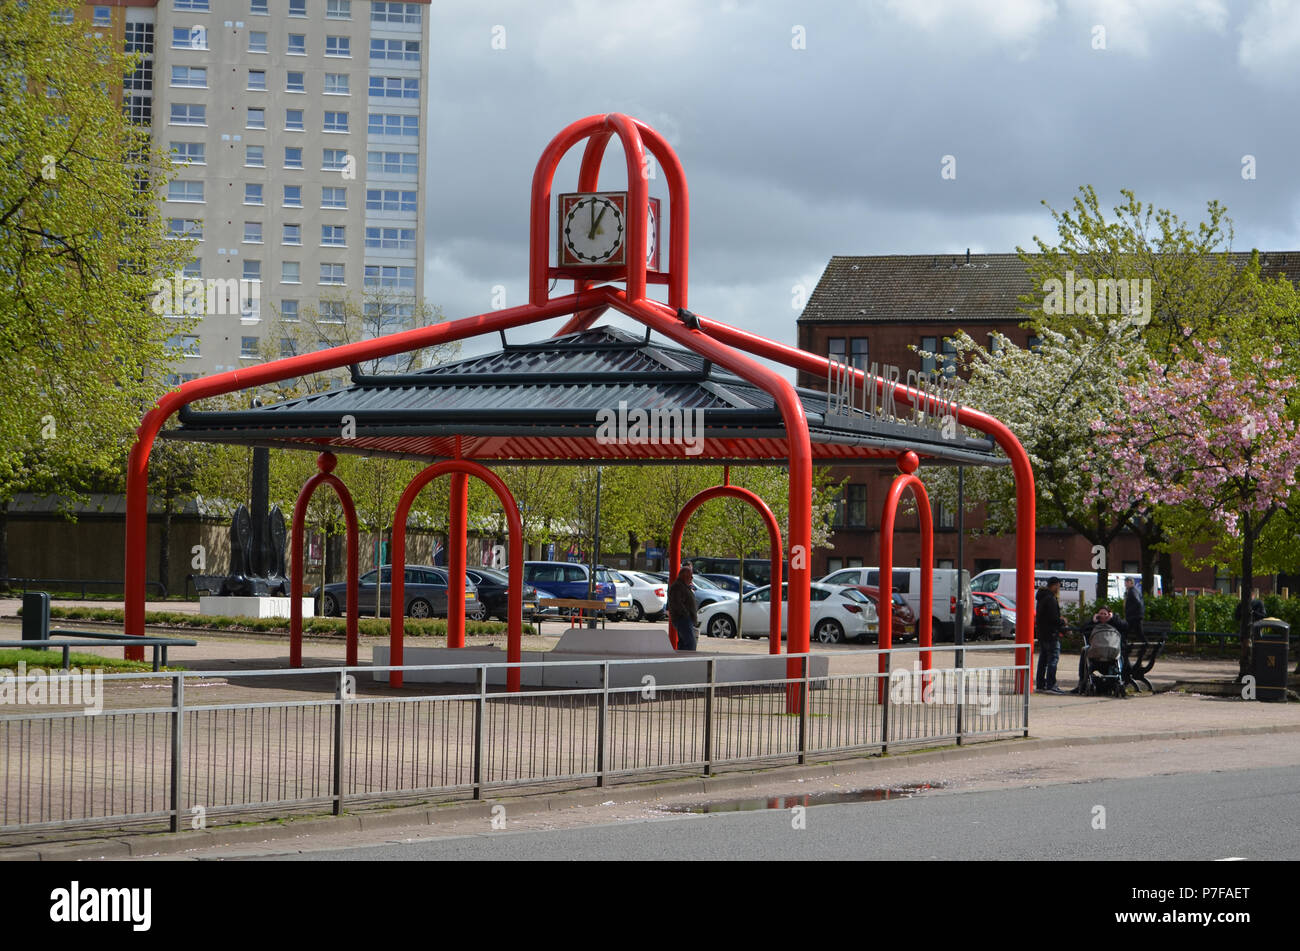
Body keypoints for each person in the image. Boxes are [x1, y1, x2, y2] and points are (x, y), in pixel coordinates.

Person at [1070, 605, 1128, 694]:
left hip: (1112, 653)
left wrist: (1113, 619)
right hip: (1096, 652)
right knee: (1084, 651)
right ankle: (1082, 683)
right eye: (1100, 614)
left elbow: (1125, 626)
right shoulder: (1094, 624)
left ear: (1109, 614)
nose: (1103, 616)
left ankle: (1120, 682)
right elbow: (1082, 630)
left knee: (1121, 655)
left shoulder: (1115, 622)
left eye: (1105, 614)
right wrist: (1092, 621)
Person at [1035, 577, 1068, 694]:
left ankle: (1040, 684)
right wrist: (1062, 621)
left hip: (1042, 633)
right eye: (1058, 586)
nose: (1059, 588)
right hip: (1051, 633)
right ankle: (1051, 685)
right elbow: (1053, 618)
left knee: (1043, 660)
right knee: (1053, 659)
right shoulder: (1050, 599)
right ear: (1054, 585)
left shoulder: (1041, 597)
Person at [667, 563, 698, 651]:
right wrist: (686, 615)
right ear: (684, 576)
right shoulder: (678, 587)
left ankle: (681, 660)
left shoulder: (684, 586)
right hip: (682, 619)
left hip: (684, 619)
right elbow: (677, 603)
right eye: (690, 576)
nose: (692, 578)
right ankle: (688, 661)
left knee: (684, 643)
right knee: (690, 643)